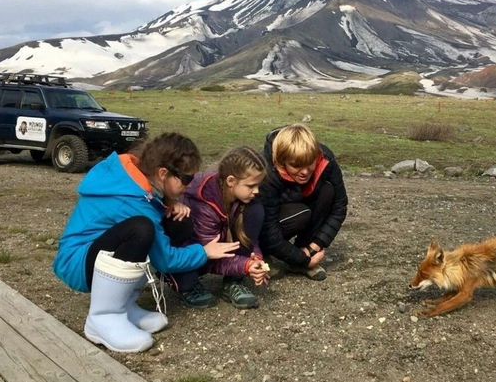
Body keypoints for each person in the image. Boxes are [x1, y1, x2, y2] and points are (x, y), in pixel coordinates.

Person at [53, 132, 239, 353]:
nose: (188, 187)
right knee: (141, 229)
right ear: (163, 173)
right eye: (186, 179)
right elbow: (165, 260)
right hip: (77, 263)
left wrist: (169, 203)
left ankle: (125, 307)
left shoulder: (132, 180)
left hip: (89, 255)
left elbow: (150, 205)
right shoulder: (133, 201)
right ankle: (103, 317)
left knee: (174, 222)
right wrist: (204, 252)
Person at [164, 146, 270, 309]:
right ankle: (184, 283)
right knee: (188, 278)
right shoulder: (204, 204)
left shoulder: (242, 196)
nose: (256, 191)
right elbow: (211, 255)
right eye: (251, 186)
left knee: (256, 210)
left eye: (258, 185)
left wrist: (255, 258)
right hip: (191, 250)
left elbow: (250, 239)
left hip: (211, 248)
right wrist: (245, 265)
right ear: (231, 181)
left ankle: (233, 282)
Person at [259, 124, 348, 281]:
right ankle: (263, 254)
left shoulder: (326, 159)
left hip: (298, 205)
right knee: (301, 215)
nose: (305, 172)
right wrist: (303, 259)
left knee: (328, 191)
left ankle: (301, 252)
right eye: (296, 165)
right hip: (269, 223)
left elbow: (340, 207)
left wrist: (314, 246)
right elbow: (268, 228)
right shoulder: (267, 172)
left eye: (310, 163)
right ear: (281, 161)